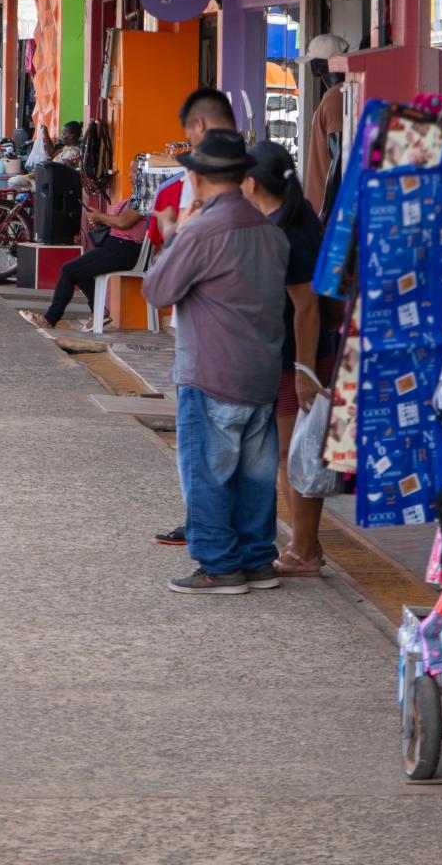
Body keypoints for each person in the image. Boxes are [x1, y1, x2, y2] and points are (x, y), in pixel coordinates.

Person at [141, 129, 289, 595]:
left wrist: (175, 236)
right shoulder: (269, 230)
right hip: (262, 370)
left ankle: (219, 566)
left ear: (198, 178)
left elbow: (158, 291)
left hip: (212, 371)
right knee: (255, 476)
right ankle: (257, 560)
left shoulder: (203, 231)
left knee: (208, 471)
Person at [242, 140, 338, 577]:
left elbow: (307, 306)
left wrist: (303, 371)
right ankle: (306, 545)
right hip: (285, 356)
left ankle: (304, 552)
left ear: (252, 182)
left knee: (291, 456)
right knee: (292, 453)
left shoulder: (289, 229)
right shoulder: (287, 218)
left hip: (293, 359)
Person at [18, 158, 153, 331]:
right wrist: (101, 220)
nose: (130, 175)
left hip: (124, 248)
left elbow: (123, 222)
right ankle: (99, 312)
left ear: (145, 174)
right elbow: (121, 222)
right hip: (116, 245)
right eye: (130, 171)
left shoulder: (144, 196)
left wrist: (101, 217)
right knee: (78, 271)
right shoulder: (138, 195)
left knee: (69, 270)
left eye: (135, 172)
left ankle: (50, 320)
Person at [152, 88, 236, 244]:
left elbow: (179, 236)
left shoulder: (198, 171)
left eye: (190, 137)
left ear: (199, 124)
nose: (192, 144)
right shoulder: (255, 162)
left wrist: (166, 221)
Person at [301, 34, 350, 215]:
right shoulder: (336, 95)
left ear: (319, 65)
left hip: (324, 210)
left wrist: (325, 212)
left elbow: (337, 159)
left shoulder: (335, 98)